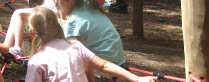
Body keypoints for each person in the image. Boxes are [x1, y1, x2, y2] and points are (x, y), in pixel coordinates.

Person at [25, 6, 158, 82]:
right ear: (57, 25)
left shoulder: (37, 60)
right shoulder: (74, 46)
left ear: (32, 32)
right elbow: (104, 65)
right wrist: (137, 79)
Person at [52, 0, 126, 81]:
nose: (53, 0)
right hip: (117, 61)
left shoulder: (73, 22)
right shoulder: (87, 4)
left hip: (104, 68)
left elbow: (83, 58)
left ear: (68, 0)